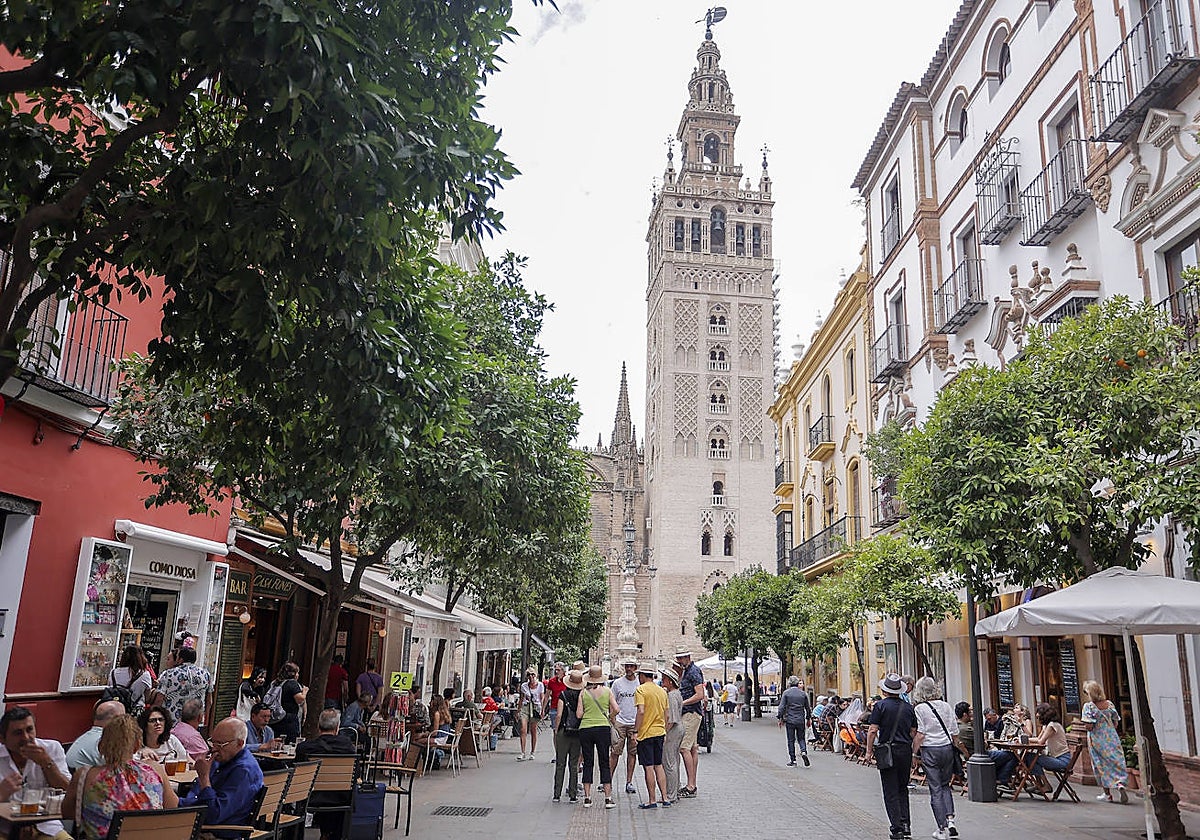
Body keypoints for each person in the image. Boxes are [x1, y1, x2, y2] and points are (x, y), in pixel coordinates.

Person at [64, 714, 178, 840]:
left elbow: (67, 812)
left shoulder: (85, 776)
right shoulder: (155, 770)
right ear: (136, 746)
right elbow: (172, 805)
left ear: (101, 745)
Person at [178, 717, 263, 839]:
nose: (214, 749)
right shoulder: (222, 759)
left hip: (217, 832)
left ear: (239, 743)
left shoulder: (244, 771)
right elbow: (195, 794)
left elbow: (213, 815)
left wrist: (204, 777)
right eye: (213, 742)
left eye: (221, 744)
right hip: (194, 817)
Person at [0, 707, 72, 840]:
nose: (26, 737)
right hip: (4, 828)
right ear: (2, 739)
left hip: (45, 826)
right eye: (18, 733)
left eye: (29, 730)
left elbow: (68, 790)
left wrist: (46, 763)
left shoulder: (51, 748)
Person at [865, 674, 918, 840]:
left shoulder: (880, 706)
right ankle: (906, 824)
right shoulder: (908, 708)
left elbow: (873, 730)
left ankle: (896, 828)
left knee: (890, 790)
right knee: (902, 788)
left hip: (887, 751)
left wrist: (868, 751)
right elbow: (913, 731)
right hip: (905, 751)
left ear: (884, 690)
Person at [911, 676, 962, 840]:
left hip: (930, 749)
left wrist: (914, 753)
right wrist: (958, 748)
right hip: (946, 748)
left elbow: (920, 734)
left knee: (935, 788)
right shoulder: (946, 706)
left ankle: (941, 828)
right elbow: (954, 731)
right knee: (945, 785)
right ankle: (951, 820)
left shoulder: (920, 709)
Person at [296, 709, 357, 840]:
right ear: (337, 728)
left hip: (311, 797)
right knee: (334, 794)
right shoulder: (348, 748)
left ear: (319, 727)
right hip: (341, 798)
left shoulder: (305, 748)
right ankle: (329, 834)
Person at [1080, 679, 1129, 803]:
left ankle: (1107, 794)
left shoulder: (1089, 706)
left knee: (1100, 764)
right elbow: (1116, 722)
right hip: (1112, 737)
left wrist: (1087, 725)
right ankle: (1120, 783)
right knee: (1115, 761)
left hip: (1097, 738)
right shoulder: (1109, 704)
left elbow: (1089, 726)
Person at [576, 664, 618, 809]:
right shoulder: (607, 691)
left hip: (586, 728)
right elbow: (616, 709)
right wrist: (608, 716)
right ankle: (608, 798)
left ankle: (587, 798)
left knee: (588, 762)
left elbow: (579, 714)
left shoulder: (583, 693)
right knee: (604, 762)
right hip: (603, 728)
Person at [634, 663, 670, 809]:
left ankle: (652, 800)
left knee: (648, 767)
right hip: (659, 731)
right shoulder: (662, 691)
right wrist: (664, 729)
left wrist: (636, 731)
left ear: (642, 675)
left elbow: (641, 711)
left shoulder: (641, 690)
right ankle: (665, 797)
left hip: (646, 733)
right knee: (658, 765)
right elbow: (667, 714)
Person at [674, 646, 705, 798]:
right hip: (690, 712)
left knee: (684, 748)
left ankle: (691, 786)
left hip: (690, 713)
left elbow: (700, 694)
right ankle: (691, 784)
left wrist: (683, 703)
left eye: (681, 658)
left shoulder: (693, 672)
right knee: (692, 748)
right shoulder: (686, 671)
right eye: (678, 658)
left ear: (687, 657)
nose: (679, 661)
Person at [157, 645, 213, 723]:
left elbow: (159, 699)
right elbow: (209, 701)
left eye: (177, 656)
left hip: (172, 721)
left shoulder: (168, 674)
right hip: (195, 722)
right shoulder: (206, 675)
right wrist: (206, 722)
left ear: (180, 659)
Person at [66, 700, 127, 770]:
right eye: (124, 719)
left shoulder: (87, 738)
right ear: (116, 719)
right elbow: (121, 769)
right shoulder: (103, 741)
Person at [552, 669, 583, 803]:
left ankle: (557, 794)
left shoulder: (563, 695)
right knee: (574, 764)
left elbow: (559, 714)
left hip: (564, 731)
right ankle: (573, 795)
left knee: (560, 763)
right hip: (577, 732)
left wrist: (556, 729)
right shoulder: (582, 696)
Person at [608, 658, 640, 791]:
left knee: (632, 753)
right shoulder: (617, 683)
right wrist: (613, 719)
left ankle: (629, 781)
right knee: (615, 752)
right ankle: (608, 780)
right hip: (620, 722)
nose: (629, 668)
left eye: (631, 666)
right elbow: (611, 701)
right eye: (627, 666)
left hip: (634, 722)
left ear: (635, 668)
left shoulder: (639, 683)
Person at [1027, 703, 1072, 793]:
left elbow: (1041, 742)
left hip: (1062, 760)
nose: (1037, 715)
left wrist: (1025, 740)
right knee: (1030, 757)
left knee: (1031, 758)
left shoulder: (1052, 725)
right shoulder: (1047, 726)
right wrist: (1023, 739)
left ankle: (1045, 785)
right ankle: (1039, 784)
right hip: (1056, 758)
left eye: (1038, 713)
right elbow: (1038, 739)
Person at [661, 666, 684, 804]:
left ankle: (671, 794)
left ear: (670, 681)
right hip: (679, 728)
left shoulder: (671, 696)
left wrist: (664, 732)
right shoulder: (676, 694)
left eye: (664, 678)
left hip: (673, 730)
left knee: (669, 762)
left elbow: (671, 719)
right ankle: (675, 790)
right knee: (674, 760)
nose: (662, 680)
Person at [777, 675, 811, 767]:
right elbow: (808, 708)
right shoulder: (803, 694)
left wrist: (780, 718)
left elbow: (781, 707)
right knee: (801, 738)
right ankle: (803, 751)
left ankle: (793, 760)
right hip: (800, 719)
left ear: (789, 683)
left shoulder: (786, 693)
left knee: (791, 740)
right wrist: (808, 718)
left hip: (790, 719)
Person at [110, 645, 154, 712]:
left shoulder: (113, 672)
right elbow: (147, 698)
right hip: (135, 711)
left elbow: (110, 688)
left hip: (115, 709)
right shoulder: (145, 675)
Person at [271, 662, 307, 743]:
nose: (298, 675)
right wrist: (304, 691)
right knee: (289, 742)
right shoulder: (292, 683)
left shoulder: (275, 683)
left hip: (275, 718)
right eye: (297, 673)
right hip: (288, 719)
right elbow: (300, 699)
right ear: (293, 674)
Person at [516, 668, 546, 762]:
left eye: (533, 674)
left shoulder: (540, 685)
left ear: (536, 675)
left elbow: (542, 698)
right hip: (525, 707)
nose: (531, 676)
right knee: (523, 729)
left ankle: (532, 752)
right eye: (529, 674)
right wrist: (518, 710)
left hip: (535, 708)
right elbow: (521, 698)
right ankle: (523, 752)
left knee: (533, 730)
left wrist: (542, 710)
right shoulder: (524, 686)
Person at [545, 663, 567, 732]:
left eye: (558, 670)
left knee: (564, 729)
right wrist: (543, 709)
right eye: (556, 670)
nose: (556, 672)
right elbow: (547, 695)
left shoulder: (567, 680)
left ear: (563, 671)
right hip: (554, 707)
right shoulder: (552, 681)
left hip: (565, 708)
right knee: (555, 730)